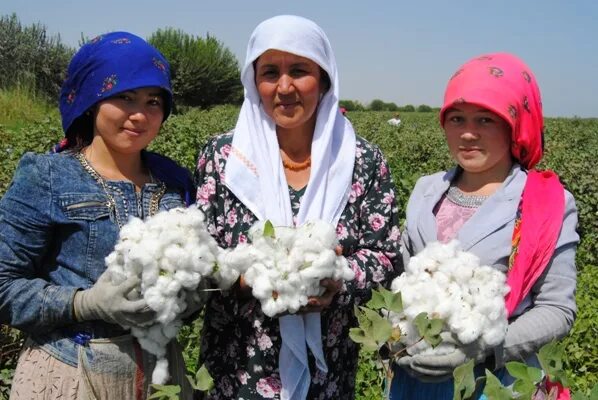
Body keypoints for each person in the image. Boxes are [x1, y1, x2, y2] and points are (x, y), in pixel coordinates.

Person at [194, 15, 401, 399]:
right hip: (237, 367)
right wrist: (242, 280)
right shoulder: (224, 158)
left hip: (328, 368)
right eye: (270, 72)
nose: (285, 87)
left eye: (300, 71)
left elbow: (386, 257)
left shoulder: (363, 161)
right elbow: (202, 254)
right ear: (254, 81)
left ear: (323, 79)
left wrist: (338, 278)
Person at [0, 32, 196, 399]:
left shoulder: (175, 182)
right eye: (125, 97)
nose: (140, 115)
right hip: (70, 374)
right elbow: (3, 286)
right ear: (92, 100)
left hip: (161, 377)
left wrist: (195, 294)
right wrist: (83, 302)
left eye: (154, 101)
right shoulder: (47, 177)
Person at [390, 53, 578, 399]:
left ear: (515, 124)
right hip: (416, 381)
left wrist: (482, 350)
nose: (468, 134)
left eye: (486, 120)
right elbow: (403, 281)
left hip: (495, 384)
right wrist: (394, 333)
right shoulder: (425, 190)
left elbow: (557, 309)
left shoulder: (545, 202)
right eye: (457, 118)